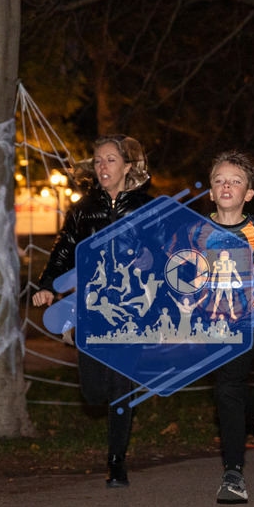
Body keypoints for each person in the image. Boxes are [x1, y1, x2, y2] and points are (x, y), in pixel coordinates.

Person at [32, 135, 153, 487]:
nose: (103, 167)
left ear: (127, 167)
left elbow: (163, 249)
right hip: (92, 307)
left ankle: (117, 462)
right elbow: (63, 248)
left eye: (111, 160)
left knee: (120, 386)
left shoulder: (147, 207)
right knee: (94, 392)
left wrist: (150, 259)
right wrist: (46, 285)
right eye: (98, 160)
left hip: (132, 307)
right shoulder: (83, 209)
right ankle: (114, 440)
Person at [198, 150, 254, 503]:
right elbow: (175, 273)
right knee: (229, 390)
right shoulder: (195, 231)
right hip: (206, 324)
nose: (227, 186)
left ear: (248, 193)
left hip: (246, 320)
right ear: (210, 190)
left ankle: (233, 475)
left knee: (227, 387)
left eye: (236, 181)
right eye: (220, 180)